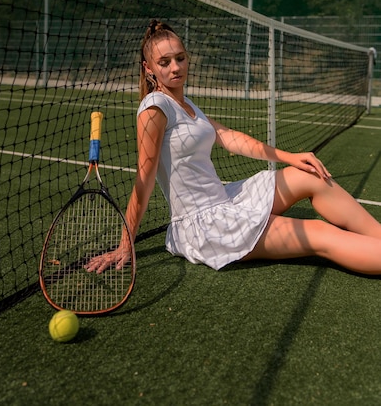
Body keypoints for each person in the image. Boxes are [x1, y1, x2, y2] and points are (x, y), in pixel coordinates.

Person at [85, 19, 381, 276]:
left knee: (310, 175)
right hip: (204, 227)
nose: (175, 67)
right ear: (148, 69)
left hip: (226, 200)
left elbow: (230, 137)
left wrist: (292, 157)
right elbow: (144, 178)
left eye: (180, 58)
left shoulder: (186, 104)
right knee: (319, 234)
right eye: (165, 63)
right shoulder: (154, 108)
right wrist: (126, 244)